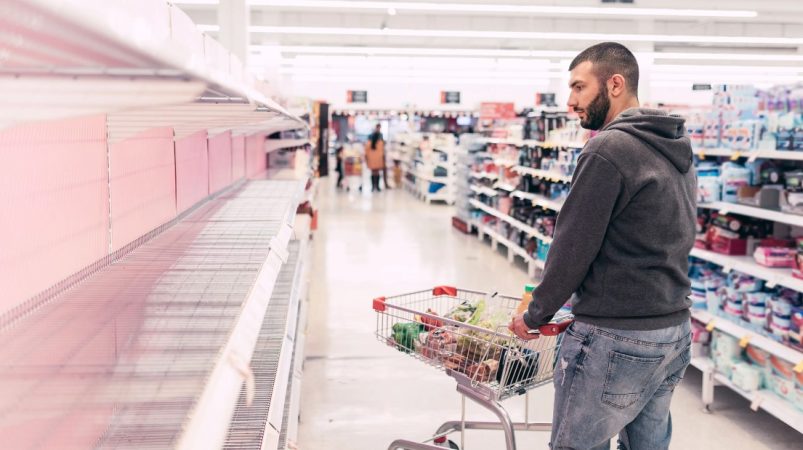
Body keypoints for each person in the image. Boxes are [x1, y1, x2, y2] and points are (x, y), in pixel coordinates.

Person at [508, 42, 696, 450]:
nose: (570, 101)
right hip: (672, 330)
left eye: (578, 87)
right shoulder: (677, 148)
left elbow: (573, 245)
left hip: (617, 336)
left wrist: (536, 312)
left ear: (614, 84)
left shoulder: (609, 148)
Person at [364, 124, 386, 192]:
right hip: (378, 158)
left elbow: (366, 149)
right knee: (377, 172)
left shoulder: (371, 140)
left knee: (373, 172)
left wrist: (366, 157)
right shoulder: (380, 140)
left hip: (372, 158)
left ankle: (374, 186)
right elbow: (382, 149)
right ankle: (377, 186)